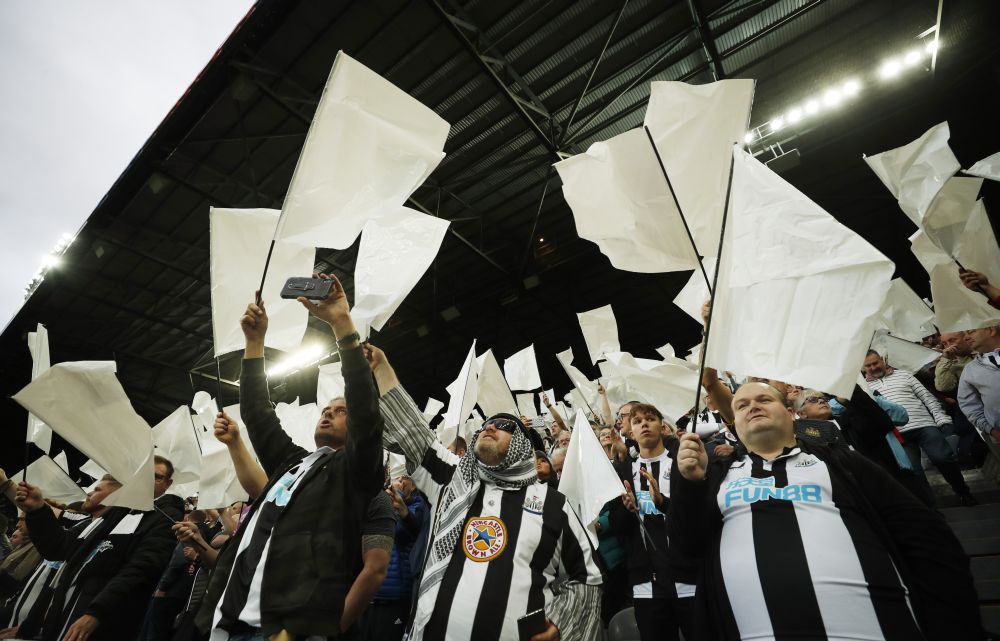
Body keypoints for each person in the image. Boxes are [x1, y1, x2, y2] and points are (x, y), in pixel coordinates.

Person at [670, 382, 982, 640]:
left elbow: (928, 539)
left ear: (791, 413)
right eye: (741, 405)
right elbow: (687, 552)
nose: (753, 406)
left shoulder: (842, 462)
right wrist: (689, 485)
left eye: (764, 399)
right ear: (734, 425)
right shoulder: (715, 477)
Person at [368, 344, 603, 641]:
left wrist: (561, 623)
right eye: (486, 424)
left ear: (521, 446)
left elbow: (586, 579)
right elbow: (412, 432)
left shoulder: (554, 505)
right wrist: (381, 368)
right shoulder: (454, 479)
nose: (489, 427)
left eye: (503, 425)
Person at [195, 274, 385, 641]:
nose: (327, 413)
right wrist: (255, 343)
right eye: (326, 409)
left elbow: (365, 411)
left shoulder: (356, 474)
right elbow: (256, 412)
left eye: (340, 410)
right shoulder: (292, 463)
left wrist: (341, 323)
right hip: (224, 619)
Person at [13, 463, 180, 641]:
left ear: (167, 484)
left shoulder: (165, 516)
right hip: (63, 619)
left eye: (157, 476)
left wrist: (96, 613)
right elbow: (60, 549)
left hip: (103, 624)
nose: (148, 479)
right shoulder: (113, 513)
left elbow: (140, 569)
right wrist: (38, 510)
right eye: (144, 474)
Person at [611, 403, 694, 641]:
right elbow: (618, 527)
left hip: (687, 576)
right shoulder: (624, 472)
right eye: (637, 421)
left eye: (650, 419)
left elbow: (697, 516)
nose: (644, 424)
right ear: (630, 431)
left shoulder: (681, 462)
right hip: (645, 582)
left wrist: (663, 503)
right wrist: (627, 510)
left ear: (662, 425)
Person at [862, 350, 976, 505]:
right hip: (898, 434)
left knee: (942, 458)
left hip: (924, 424)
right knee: (914, 472)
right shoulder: (864, 388)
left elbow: (927, 397)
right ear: (863, 368)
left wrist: (941, 419)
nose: (873, 367)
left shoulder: (904, 375)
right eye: (868, 365)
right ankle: (930, 507)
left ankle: (963, 492)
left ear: (883, 360)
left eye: (875, 362)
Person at [364, 472, 427, 641]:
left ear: (413, 486)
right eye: (397, 478)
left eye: (403, 479)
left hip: (395, 596)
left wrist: (396, 500)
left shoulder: (418, 506)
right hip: (369, 593)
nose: (398, 482)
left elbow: (400, 532)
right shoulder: (382, 502)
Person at [958, 325, 1000, 439]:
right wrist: (991, 430)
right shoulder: (970, 370)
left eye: (971, 331)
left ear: (992, 330)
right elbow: (969, 405)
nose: (966, 338)